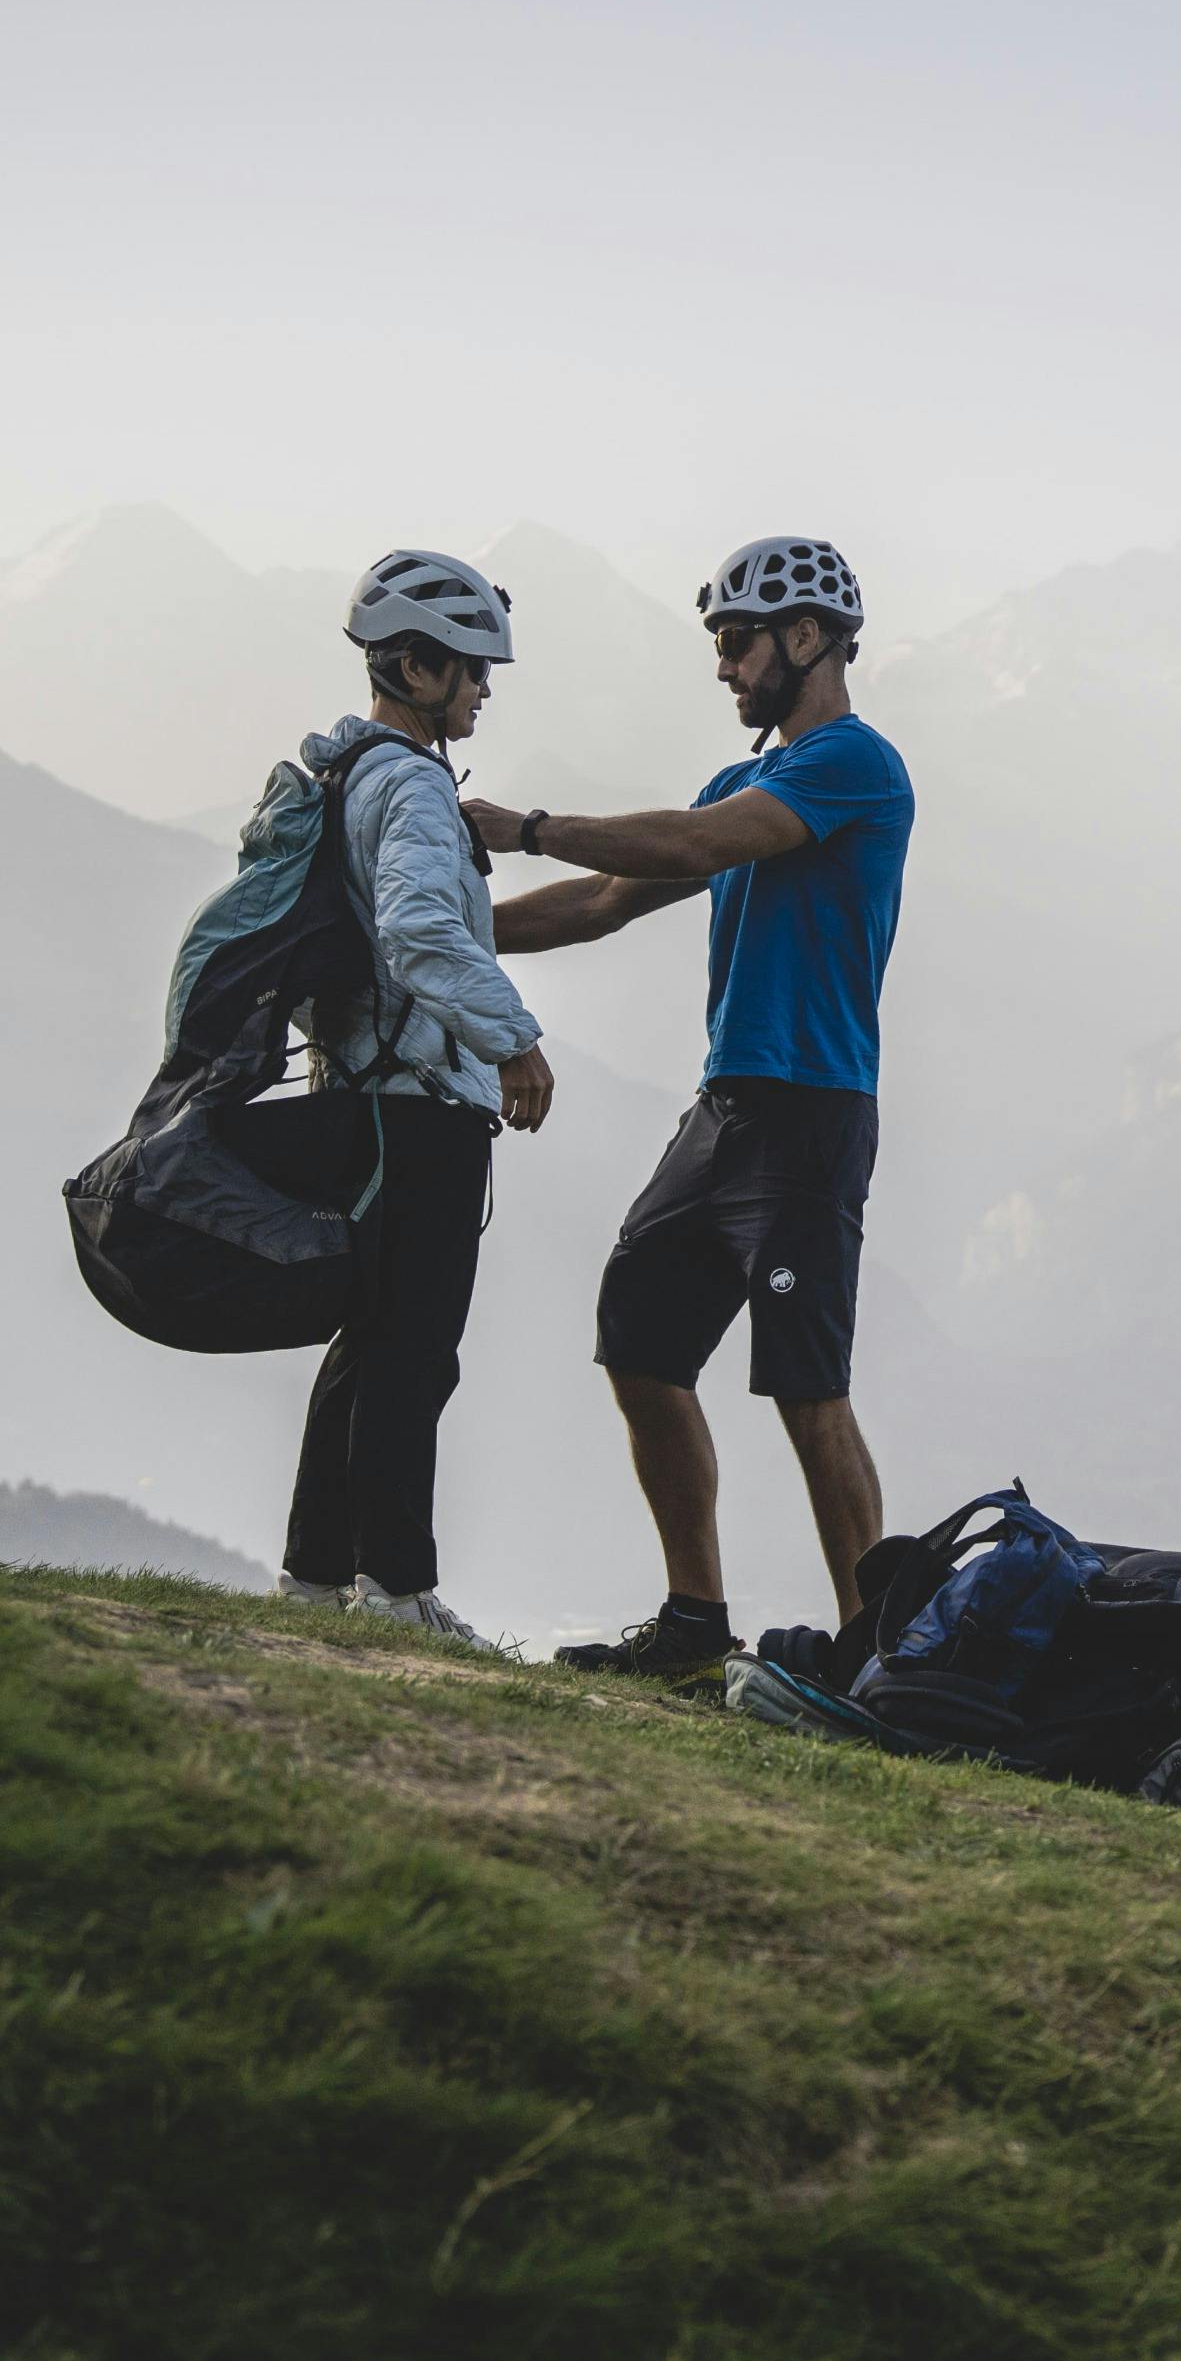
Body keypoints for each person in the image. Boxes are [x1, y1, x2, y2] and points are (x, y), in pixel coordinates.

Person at [470, 535, 910, 1685]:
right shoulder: (744, 782)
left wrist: (524, 827)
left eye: (736, 641)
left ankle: (878, 1659)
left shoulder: (854, 765)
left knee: (810, 1390)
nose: (722, 667)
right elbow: (610, 901)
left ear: (805, 637)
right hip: (726, 1109)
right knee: (642, 1344)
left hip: (810, 1117)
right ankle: (692, 1628)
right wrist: (443, 930)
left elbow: (703, 844)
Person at [274, 548, 557, 1649]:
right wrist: (515, 1044)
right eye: (470, 667)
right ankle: (396, 1589)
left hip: (359, 1089)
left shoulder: (347, 775)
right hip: (420, 1104)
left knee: (365, 1341)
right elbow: (422, 931)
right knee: (412, 1350)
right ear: (414, 664)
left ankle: (312, 1579)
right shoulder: (415, 787)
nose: (483, 686)